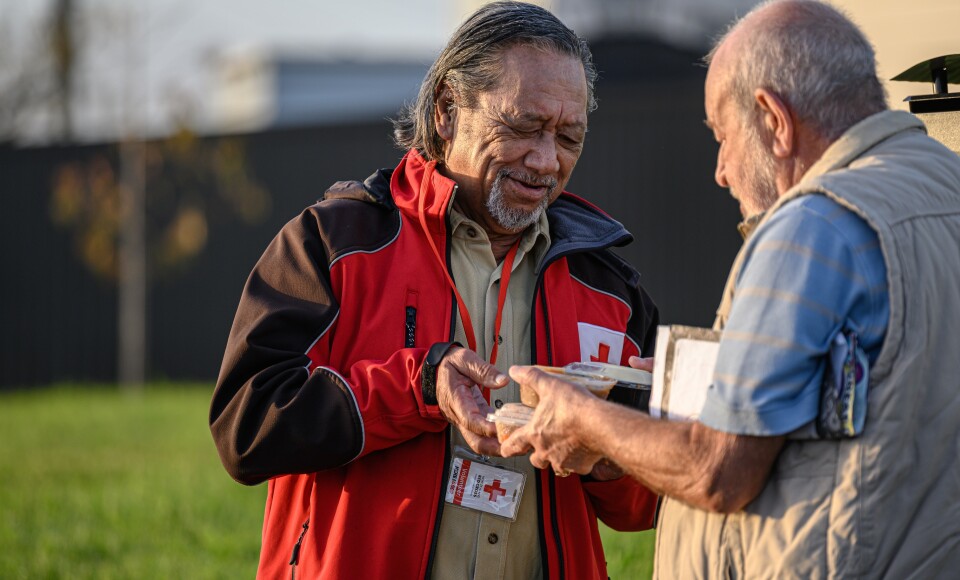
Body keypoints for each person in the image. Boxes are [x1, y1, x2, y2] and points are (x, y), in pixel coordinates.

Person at [501, 0, 960, 577]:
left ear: (773, 119)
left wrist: (583, 419)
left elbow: (716, 472)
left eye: (722, 135)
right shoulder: (946, 186)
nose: (720, 170)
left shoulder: (812, 226)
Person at [209, 2, 660, 578]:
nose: (546, 160)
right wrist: (419, 383)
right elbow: (245, 428)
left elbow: (651, 501)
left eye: (568, 137)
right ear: (448, 110)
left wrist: (606, 452)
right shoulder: (334, 243)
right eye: (524, 126)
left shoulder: (611, 285)